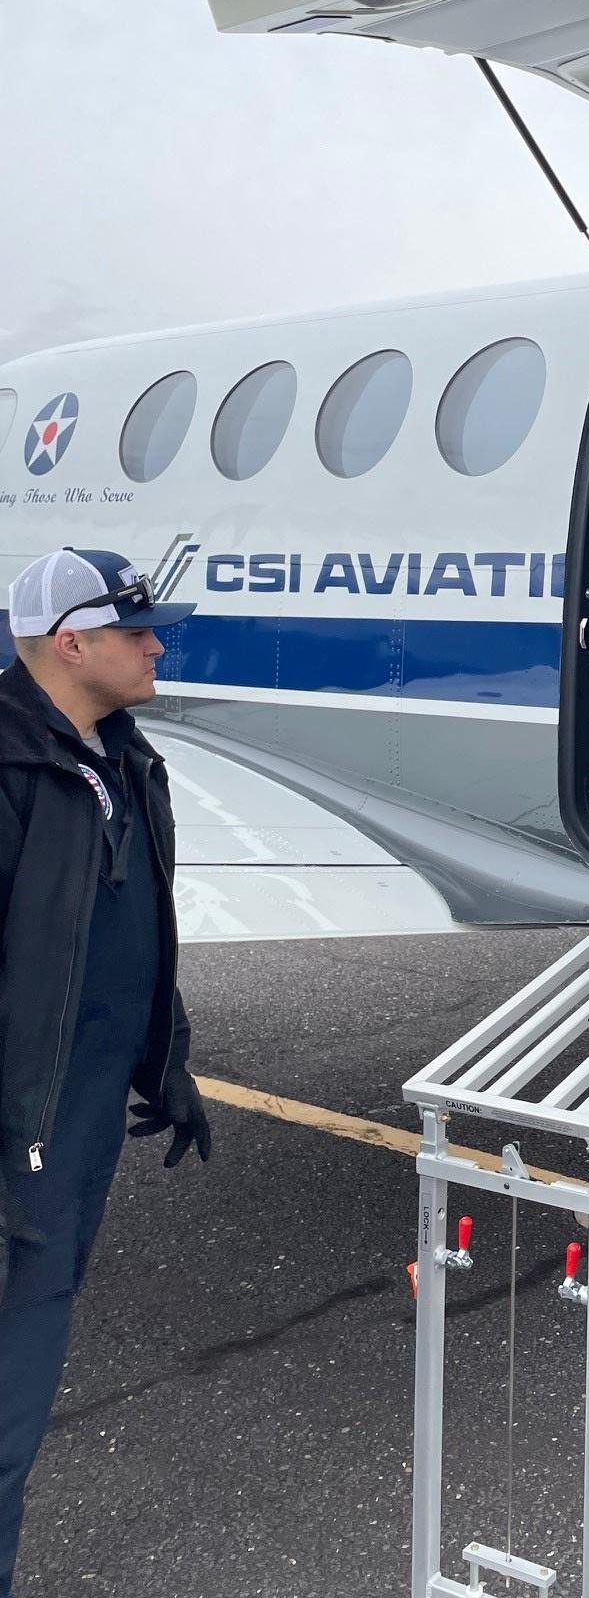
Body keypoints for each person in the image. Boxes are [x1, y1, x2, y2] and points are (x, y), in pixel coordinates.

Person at [0, 548, 210, 1597]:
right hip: (19, 1138)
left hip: (77, 1120)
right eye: (137, 630)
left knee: (28, 1366)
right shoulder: (10, 771)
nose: (157, 645)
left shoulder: (124, 758)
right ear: (71, 642)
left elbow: (131, 932)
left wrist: (167, 1060)